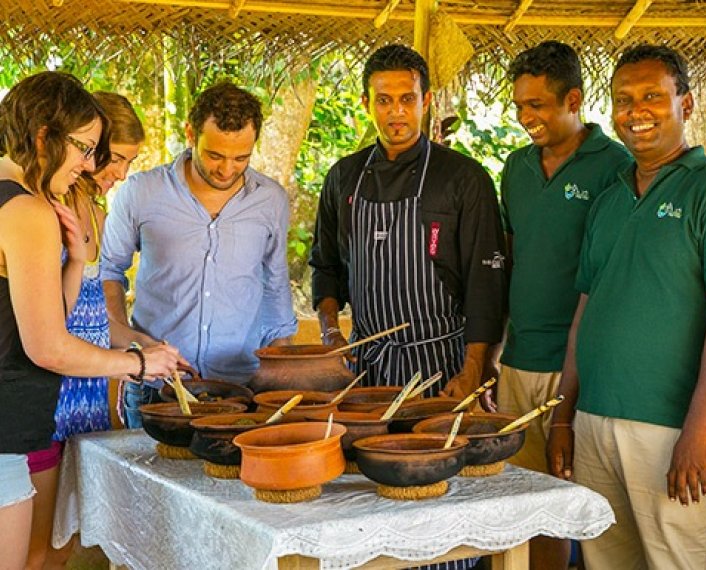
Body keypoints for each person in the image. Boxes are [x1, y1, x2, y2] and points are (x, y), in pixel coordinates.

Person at [547, 44, 706, 569]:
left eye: (652, 96)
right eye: (624, 100)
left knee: (684, 561)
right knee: (607, 562)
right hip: (596, 421)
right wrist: (563, 414)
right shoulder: (610, 200)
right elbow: (585, 314)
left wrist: (697, 431)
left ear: (685, 105)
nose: (636, 111)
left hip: (671, 430)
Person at [0, 71, 180, 570]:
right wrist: (138, 364)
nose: (88, 163)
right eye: (85, 148)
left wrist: (76, 262)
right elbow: (49, 346)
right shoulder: (27, 209)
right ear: (42, 135)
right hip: (12, 422)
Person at [492, 40, 630, 570]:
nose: (526, 117)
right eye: (520, 106)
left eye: (538, 106)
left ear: (573, 99)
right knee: (521, 508)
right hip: (518, 364)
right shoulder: (516, 168)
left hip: (581, 371)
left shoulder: (615, 167)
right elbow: (510, 260)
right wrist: (495, 353)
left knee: (578, 508)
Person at [310, 44, 507, 404]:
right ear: (366, 103)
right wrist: (330, 332)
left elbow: (486, 283)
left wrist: (473, 369)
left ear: (426, 100)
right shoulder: (344, 177)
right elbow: (325, 265)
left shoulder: (463, 178)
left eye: (407, 99)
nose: (396, 112)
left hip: (441, 370)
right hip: (364, 371)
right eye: (383, 100)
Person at [102, 82, 298, 427]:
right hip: (156, 384)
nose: (226, 169)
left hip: (241, 384)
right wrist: (130, 343)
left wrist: (280, 362)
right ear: (191, 134)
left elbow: (275, 281)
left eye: (241, 158)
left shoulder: (271, 200)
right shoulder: (142, 192)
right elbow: (109, 271)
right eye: (215, 155)